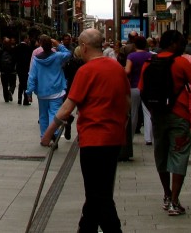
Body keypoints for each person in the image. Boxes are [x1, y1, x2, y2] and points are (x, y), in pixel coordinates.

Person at [41, 28, 129, 233]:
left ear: (84, 46)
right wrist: (120, 123)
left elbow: (67, 107)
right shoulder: (116, 68)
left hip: (93, 138)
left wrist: (48, 133)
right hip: (114, 138)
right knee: (100, 191)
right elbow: (126, 102)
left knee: (98, 195)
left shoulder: (86, 71)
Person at [141, 29, 191, 217]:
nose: (184, 46)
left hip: (158, 116)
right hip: (178, 115)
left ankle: (166, 194)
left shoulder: (149, 63)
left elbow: (142, 90)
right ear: (172, 44)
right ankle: (175, 201)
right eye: (181, 43)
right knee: (179, 154)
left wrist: (154, 109)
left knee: (160, 154)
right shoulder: (181, 62)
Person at [25, 35, 71, 138]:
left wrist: (29, 91)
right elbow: (68, 54)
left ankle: (43, 135)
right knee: (54, 114)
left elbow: (32, 76)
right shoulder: (58, 56)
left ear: (40, 44)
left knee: (43, 116)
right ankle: (53, 133)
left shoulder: (37, 60)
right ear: (51, 44)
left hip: (42, 92)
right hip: (56, 90)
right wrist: (58, 45)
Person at [124, 35, 151, 140]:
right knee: (148, 112)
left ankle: (130, 137)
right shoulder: (150, 56)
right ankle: (148, 138)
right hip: (147, 87)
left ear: (135, 45)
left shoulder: (131, 56)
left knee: (133, 112)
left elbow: (128, 71)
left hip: (134, 86)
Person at [14, 34, 33, 106]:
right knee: (25, 83)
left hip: (19, 68)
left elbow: (15, 58)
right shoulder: (29, 48)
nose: (28, 40)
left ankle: (19, 99)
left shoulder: (17, 47)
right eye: (27, 38)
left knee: (21, 82)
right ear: (25, 39)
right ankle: (25, 99)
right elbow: (31, 59)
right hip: (26, 68)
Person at [0, 37, 17, 102]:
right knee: (13, 84)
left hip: (3, 71)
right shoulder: (13, 50)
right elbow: (15, 60)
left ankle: (6, 98)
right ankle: (10, 91)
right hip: (12, 70)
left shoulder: (1, 51)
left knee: (4, 85)